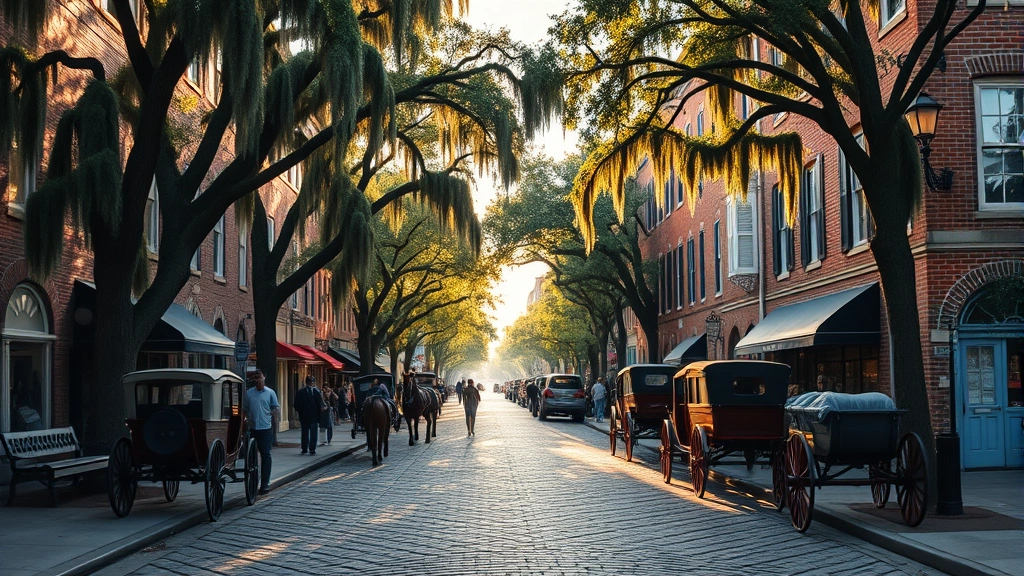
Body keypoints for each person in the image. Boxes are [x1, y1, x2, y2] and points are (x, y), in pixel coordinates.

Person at [243, 369, 279, 495]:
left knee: (265, 455)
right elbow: (245, 409)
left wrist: (275, 432)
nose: (257, 380)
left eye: (259, 377)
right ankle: (252, 482)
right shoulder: (249, 393)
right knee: (251, 457)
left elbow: (275, 410)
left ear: (264, 377)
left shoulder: (270, 393)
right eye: (255, 378)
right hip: (253, 428)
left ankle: (265, 483)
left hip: (265, 428)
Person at [294, 375, 324, 455]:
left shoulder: (316, 392)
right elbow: (296, 404)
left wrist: (320, 411)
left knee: (313, 433)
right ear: (306, 382)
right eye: (310, 381)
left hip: (314, 415)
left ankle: (312, 448)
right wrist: (300, 411)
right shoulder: (301, 392)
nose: (311, 383)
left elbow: (320, 403)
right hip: (304, 415)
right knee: (304, 433)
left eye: (312, 381)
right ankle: (304, 448)